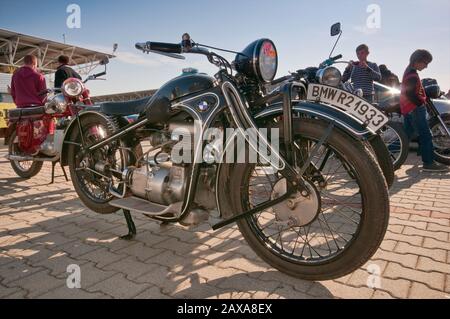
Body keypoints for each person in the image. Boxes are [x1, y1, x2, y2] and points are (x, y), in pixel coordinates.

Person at [400, 49, 448, 172]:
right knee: (426, 135)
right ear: (417, 61)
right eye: (425, 63)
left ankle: (385, 155)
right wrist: (421, 102)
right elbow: (410, 93)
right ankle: (429, 163)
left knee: (405, 136)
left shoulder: (410, 71)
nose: (426, 66)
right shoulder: (412, 75)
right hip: (414, 109)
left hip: (409, 109)